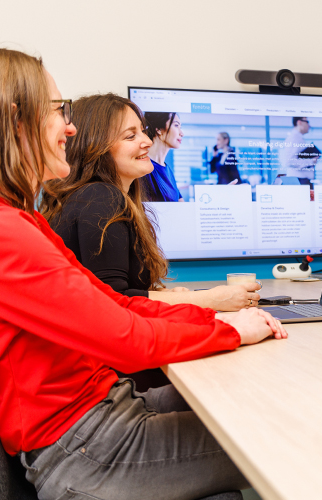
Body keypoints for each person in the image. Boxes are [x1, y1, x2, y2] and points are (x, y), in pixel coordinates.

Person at [0, 45, 286, 499]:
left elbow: (116, 304)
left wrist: (219, 321)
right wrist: (231, 332)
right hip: (86, 449)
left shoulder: (8, 218)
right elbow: (125, 339)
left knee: (273, 403)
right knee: (291, 436)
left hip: (101, 419)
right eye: (58, 111)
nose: (70, 126)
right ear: (16, 120)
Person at [39, 94, 264, 389]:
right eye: (130, 136)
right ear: (95, 146)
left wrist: (171, 298)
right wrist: (213, 299)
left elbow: (120, 294)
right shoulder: (100, 198)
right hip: (114, 380)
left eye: (142, 131)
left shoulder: (99, 198)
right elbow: (116, 304)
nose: (146, 141)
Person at [141, 111, 184, 201]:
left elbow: (181, 204)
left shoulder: (168, 170)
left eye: (180, 127)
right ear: (159, 129)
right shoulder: (142, 169)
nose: (182, 133)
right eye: (176, 125)